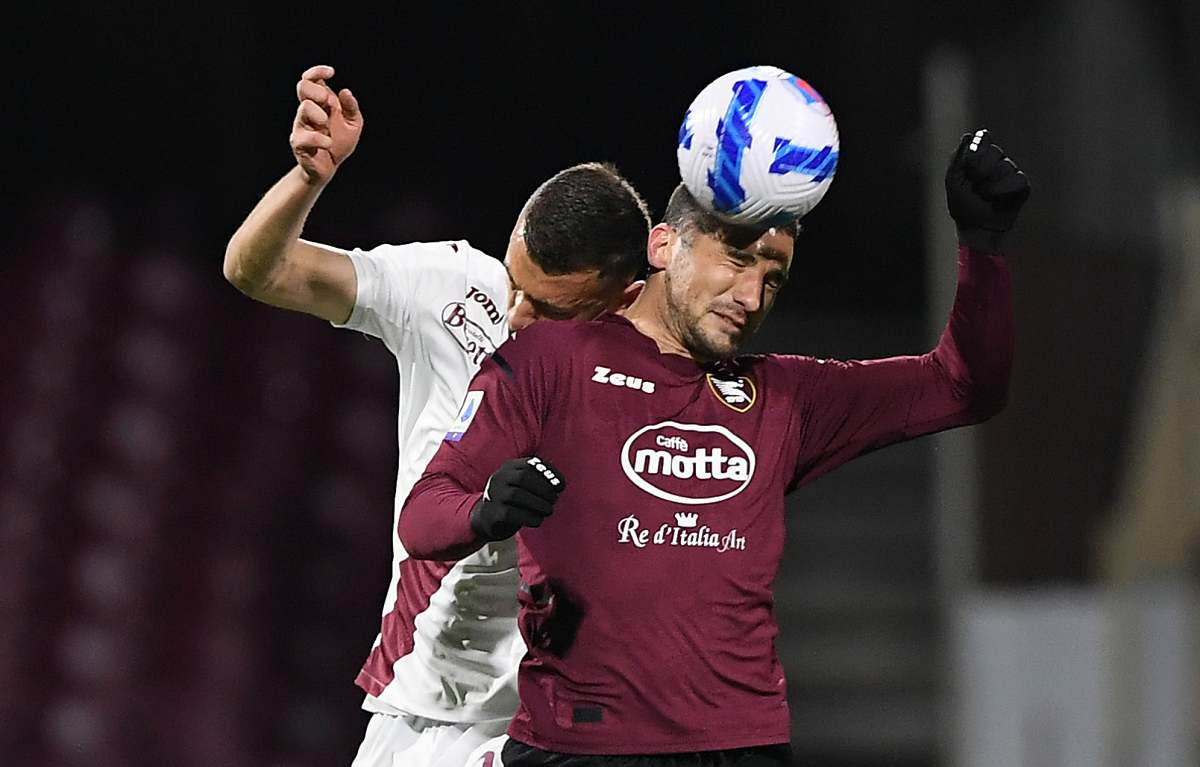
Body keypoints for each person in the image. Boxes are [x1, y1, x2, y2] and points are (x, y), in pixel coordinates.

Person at [397, 129, 1030, 766]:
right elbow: (423, 514)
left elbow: (962, 386)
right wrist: (484, 510)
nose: (751, 297)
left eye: (773, 278)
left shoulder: (788, 396)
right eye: (736, 259)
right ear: (663, 245)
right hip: (578, 745)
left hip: (742, 747)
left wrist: (982, 245)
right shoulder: (548, 361)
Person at [223, 65, 651, 767]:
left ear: (622, 301)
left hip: (533, 730)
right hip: (405, 710)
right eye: (515, 283)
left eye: (548, 308)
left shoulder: (656, 400)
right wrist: (307, 180)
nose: (517, 314)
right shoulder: (451, 288)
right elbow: (256, 271)